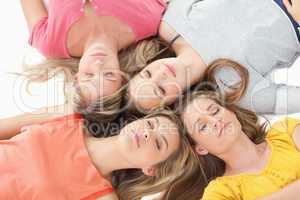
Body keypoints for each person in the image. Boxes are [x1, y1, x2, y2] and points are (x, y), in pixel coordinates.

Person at [128, 0, 300, 114]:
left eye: (147, 74)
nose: (160, 74)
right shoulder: (237, 91)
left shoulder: (170, 26)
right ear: (174, 103)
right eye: (161, 89)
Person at [20, 0, 170, 119]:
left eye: (89, 75)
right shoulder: (147, 20)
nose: (98, 64)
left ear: (76, 78)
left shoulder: (51, 44)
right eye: (109, 74)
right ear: (121, 77)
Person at [0, 110, 197, 200]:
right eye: (151, 124)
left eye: (158, 143)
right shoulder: (67, 116)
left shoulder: (102, 197)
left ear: (151, 169)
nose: (147, 133)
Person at [180, 90, 300, 199]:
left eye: (215, 111)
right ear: (201, 148)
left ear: (232, 112)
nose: (215, 121)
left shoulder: (285, 130)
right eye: (203, 126)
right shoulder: (219, 192)